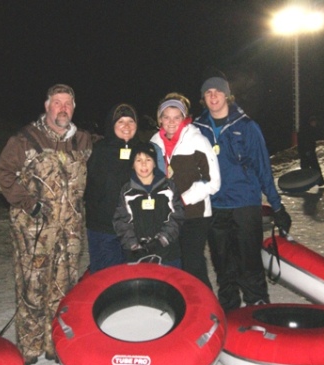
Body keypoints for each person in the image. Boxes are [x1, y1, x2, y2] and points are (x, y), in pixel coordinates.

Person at [0, 84, 92, 365]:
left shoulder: (83, 140)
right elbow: (3, 173)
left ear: (74, 108)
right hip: (34, 231)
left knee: (63, 287)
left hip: (69, 232)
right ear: (47, 106)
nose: (63, 108)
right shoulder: (25, 139)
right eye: (57, 103)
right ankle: (29, 347)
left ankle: (55, 343)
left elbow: (112, 152)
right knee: (32, 287)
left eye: (68, 103)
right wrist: (28, 203)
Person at [193, 70, 292, 312]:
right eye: (208, 92)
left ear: (228, 95)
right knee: (222, 263)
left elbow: (263, 167)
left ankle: (257, 306)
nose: (213, 96)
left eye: (218, 92)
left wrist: (277, 206)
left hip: (244, 204)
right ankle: (229, 309)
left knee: (249, 262)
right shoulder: (196, 129)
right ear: (203, 98)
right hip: (214, 206)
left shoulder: (247, 126)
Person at [149, 93, 220, 288]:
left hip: (194, 215)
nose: (171, 122)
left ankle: (204, 302)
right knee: (171, 263)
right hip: (166, 215)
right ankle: (180, 302)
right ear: (160, 119)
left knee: (192, 263)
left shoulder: (198, 141)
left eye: (176, 117)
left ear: (184, 118)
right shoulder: (154, 142)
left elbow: (213, 181)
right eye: (166, 117)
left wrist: (183, 199)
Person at [85, 103, 144, 273]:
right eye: (121, 122)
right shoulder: (98, 151)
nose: (126, 126)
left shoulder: (144, 150)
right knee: (105, 278)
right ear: (112, 125)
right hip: (104, 229)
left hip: (135, 230)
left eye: (131, 121)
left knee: (132, 278)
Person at [113, 144, 184, 268]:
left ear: (155, 163)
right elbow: (121, 221)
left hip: (168, 252)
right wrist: (134, 246)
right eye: (138, 160)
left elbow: (177, 215)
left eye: (148, 160)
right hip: (138, 255)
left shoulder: (168, 187)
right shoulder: (127, 191)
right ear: (132, 164)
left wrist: (161, 240)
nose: (144, 164)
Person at [297, 116, 324, 186]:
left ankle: (318, 181)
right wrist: (307, 151)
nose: (315, 124)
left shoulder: (307, 129)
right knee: (312, 167)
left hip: (306, 151)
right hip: (307, 151)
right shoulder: (307, 130)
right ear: (311, 122)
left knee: (309, 167)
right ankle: (310, 182)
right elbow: (306, 141)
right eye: (314, 122)